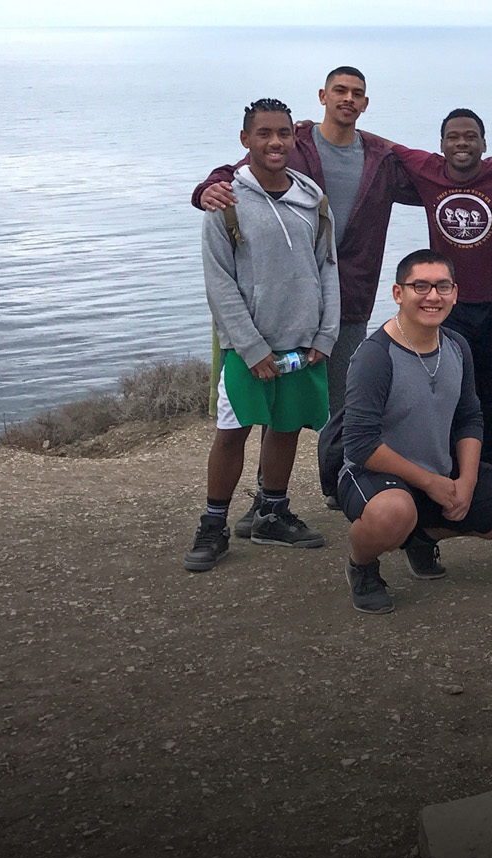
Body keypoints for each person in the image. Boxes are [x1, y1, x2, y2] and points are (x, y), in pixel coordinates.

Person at [191, 66, 416, 525]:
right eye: (340, 91)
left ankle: (309, 496)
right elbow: (233, 184)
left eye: (357, 93)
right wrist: (203, 190)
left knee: (326, 409)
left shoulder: (377, 159)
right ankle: (218, 520)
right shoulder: (286, 155)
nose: (347, 99)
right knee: (237, 427)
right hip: (254, 332)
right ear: (323, 96)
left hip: (339, 307)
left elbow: (431, 173)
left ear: (365, 103)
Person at [337, 249, 492, 614]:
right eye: (420, 286)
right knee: (392, 515)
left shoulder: (456, 346)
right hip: (374, 477)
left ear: (455, 293)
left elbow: (470, 417)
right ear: (398, 293)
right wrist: (429, 483)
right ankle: (363, 564)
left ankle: (419, 537)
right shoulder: (375, 356)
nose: (432, 296)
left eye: (442, 287)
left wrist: (465, 480)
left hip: (438, 471)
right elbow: (360, 443)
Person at [185, 99, 340, 572]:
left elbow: (326, 268)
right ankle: (213, 525)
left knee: (287, 428)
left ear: (295, 139)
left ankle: (272, 512)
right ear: (245, 140)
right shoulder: (226, 204)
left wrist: (325, 335)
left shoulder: (313, 199)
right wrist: (251, 348)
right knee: (232, 432)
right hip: (248, 346)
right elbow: (220, 283)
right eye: (264, 133)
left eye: (284, 133)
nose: (275, 142)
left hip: (302, 341)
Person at [390, 109, 492, 469]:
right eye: (453, 137)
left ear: (484, 144)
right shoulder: (427, 169)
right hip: (448, 305)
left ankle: (489, 467)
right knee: (444, 391)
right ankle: (445, 465)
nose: (462, 143)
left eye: (470, 136)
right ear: (441, 145)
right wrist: (311, 129)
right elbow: (382, 145)